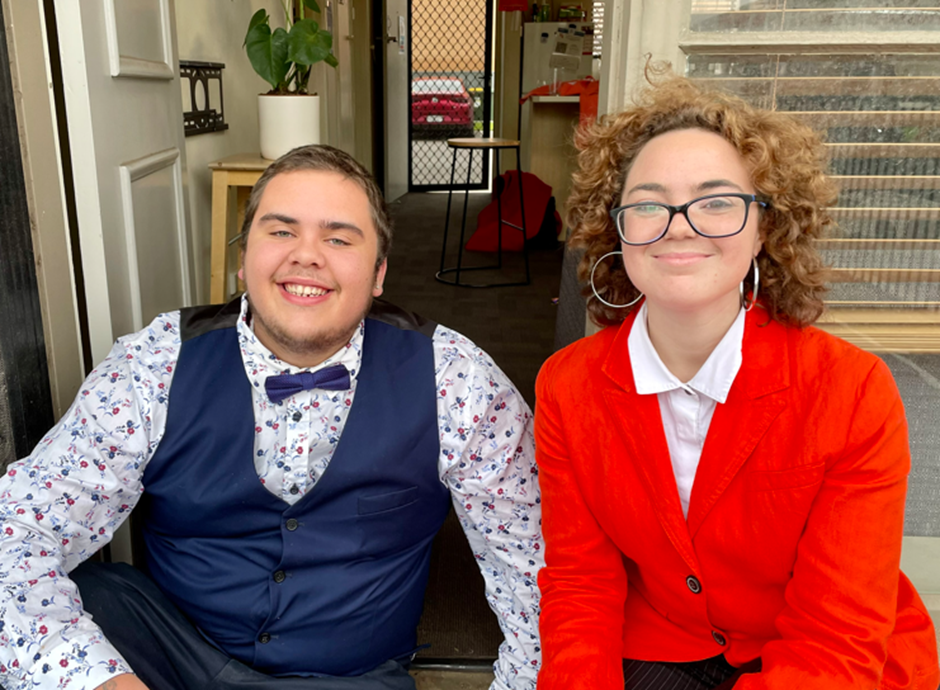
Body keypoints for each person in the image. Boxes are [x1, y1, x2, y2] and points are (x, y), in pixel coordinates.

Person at [0, 145, 543, 690]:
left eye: (338, 237)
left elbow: (533, 573)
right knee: (73, 602)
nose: (306, 255)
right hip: (171, 652)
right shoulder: (153, 364)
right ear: (244, 258)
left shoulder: (456, 380)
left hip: (347, 677)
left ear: (379, 272)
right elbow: (17, 531)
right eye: (281, 231)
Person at [534, 74, 940, 690]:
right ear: (617, 229)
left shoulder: (853, 391)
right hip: (663, 641)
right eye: (647, 201)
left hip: (821, 660)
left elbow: (834, 637)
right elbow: (580, 583)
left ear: (765, 229)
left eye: (717, 201)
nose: (678, 224)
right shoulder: (567, 386)